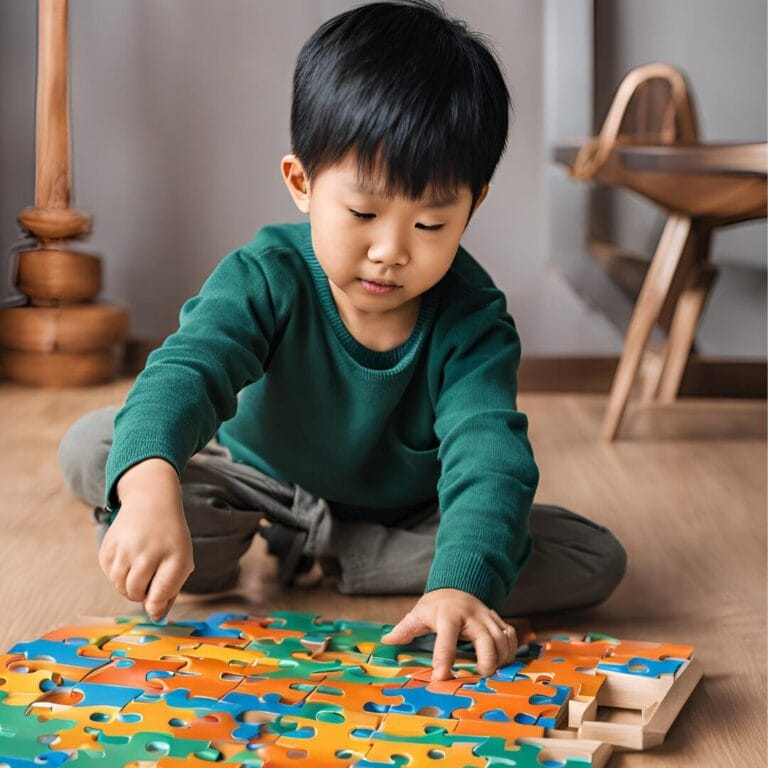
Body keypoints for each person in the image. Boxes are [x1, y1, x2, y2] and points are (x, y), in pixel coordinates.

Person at [58, 0, 626, 682]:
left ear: (472, 206)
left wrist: (460, 586)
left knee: (591, 557)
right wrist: (150, 492)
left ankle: (355, 553)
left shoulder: (473, 321)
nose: (390, 252)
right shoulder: (266, 276)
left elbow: (490, 459)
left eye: (431, 226)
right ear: (302, 184)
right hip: (257, 487)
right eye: (363, 212)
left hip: (402, 515)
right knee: (96, 446)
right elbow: (188, 371)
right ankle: (178, 532)